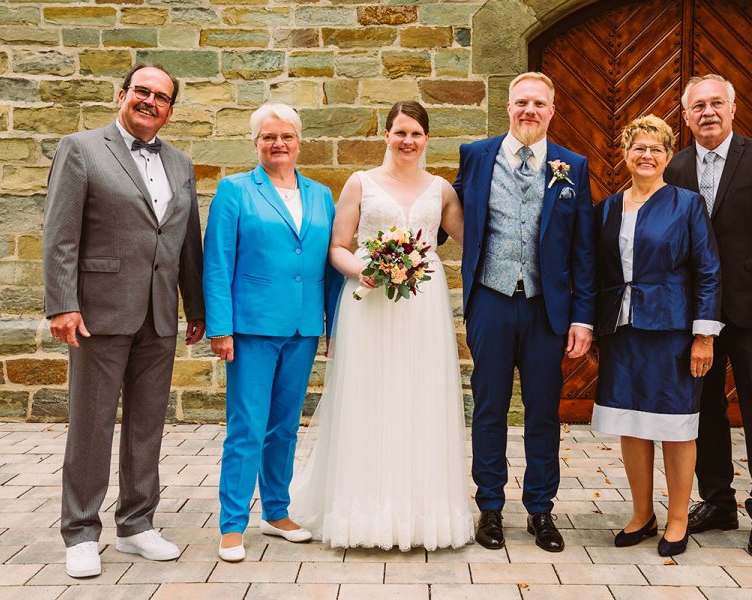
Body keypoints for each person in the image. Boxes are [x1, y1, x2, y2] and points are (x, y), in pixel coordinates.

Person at [43, 63, 205, 578]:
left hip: (159, 314)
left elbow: (186, 243)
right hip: (99, 312)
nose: (149, 101)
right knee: (91, 423)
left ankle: (137, 524)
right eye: (142, 91)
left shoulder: (181, 163)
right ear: (123, 94)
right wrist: (62, 303)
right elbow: (60, 235)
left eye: (161, 97)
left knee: (147, 424)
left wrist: (195, 307)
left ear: (170, 110)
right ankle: (81, 531)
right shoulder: (82, 148)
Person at [288, 101, 472, 551]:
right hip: (370, 301)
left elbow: (472, 240)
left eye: (416, 134)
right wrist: (360, 270)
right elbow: (338, 245)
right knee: (369, 397)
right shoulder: (361, 183)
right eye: (400, 132)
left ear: (427, 140)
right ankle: (362, 510)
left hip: (422, 306)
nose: (408, 141)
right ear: (386, 135)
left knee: (419, 400)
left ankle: (422, 513)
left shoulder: (441, 190)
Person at [453, 72, 597, 553]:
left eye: (538, 103)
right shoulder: (475, 157)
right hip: (490, 300)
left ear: (552, 110)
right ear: (508, 107)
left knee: (542, 412)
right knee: (489, 407)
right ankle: (490, 507)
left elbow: (584, 250)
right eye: (521, 102)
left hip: (546, 308)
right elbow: (445, 215)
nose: (529, 110)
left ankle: (540, 509)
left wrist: (583, 316)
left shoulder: (572, 165)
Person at [665, 74, 752, 557]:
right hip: (695, 314)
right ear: (685, 117)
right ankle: (718, 500)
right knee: (704, 408)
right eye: (698, 106)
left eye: (716, 103)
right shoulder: (677, 166)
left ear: (732, 109)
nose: (707, 112)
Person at [203, 103, 343, 562]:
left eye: (286, 136)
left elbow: (330, 263)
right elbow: (218, 263)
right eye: (268, 137)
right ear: (256, 142)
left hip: (303, 327)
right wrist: (220, 328)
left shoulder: (321, 195)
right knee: (247, 425)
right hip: (251, 328)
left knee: (284, 426)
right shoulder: (235, 191)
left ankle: (277, 511)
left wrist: (333, 326)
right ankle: (231, 524)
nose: (278, 143)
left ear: (299, 141)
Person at [591, 115, 722, 557]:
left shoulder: (687, 204)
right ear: (625, 154)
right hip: (621, 329)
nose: (646, 155)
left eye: (656, 149)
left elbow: (707, 271)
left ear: (667, 156)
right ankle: (641, 513)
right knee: (633, 421)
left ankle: (679, 517)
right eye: (638, 147)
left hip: (671, 330)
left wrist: (703, 336)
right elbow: (596, 271)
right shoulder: (607, 208)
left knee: (676, 425)